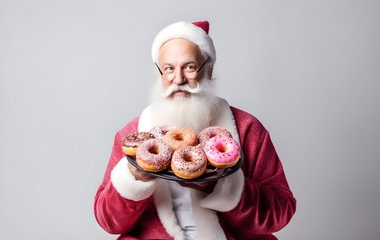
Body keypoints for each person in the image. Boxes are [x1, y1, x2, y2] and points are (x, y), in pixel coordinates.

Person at [94, 21, 296, 240]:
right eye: (169, 68)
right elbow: (108, 221)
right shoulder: (134, 135)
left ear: (208, 70)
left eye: (189, 67)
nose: (178, 79)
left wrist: (221, 187)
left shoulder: (247, 128)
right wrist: (133, 179)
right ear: (159, 74)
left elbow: (281, 211)